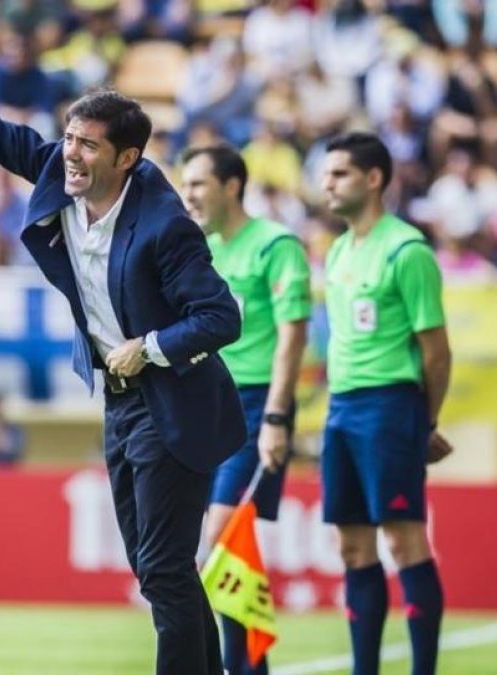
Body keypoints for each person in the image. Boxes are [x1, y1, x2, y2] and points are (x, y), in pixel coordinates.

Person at [0, 14, 246, 675]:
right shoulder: (59, 175)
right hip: (121, 403)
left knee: (165, 570)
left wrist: (147, 346)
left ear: (127, 158)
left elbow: (220, 317)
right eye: (68, 138)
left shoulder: (166, 226)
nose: (70, 153)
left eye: (88, 145)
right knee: (159, 571)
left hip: (173, 402)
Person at [318, 132, 453, 675]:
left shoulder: (408, 250)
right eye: (326, 175)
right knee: (353, 548)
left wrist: (424, 420)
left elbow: (437, 353)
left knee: (404, 541)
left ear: (374, 179)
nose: (327, 184)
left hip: (390, 406)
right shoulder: (337, 249)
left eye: (339, 174)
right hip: (341, 409)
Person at [179, 145, 310, 675]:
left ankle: (242, 666)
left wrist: (277, 417)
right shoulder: (198, 250)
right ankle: (245, 665)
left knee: (222, 538)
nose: (187, 195)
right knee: (216, 547)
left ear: (232, 186)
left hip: (254, 406)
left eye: (197, 184)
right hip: (202, 402)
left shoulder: (276, 245)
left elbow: (292, 336)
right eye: (184, 185)